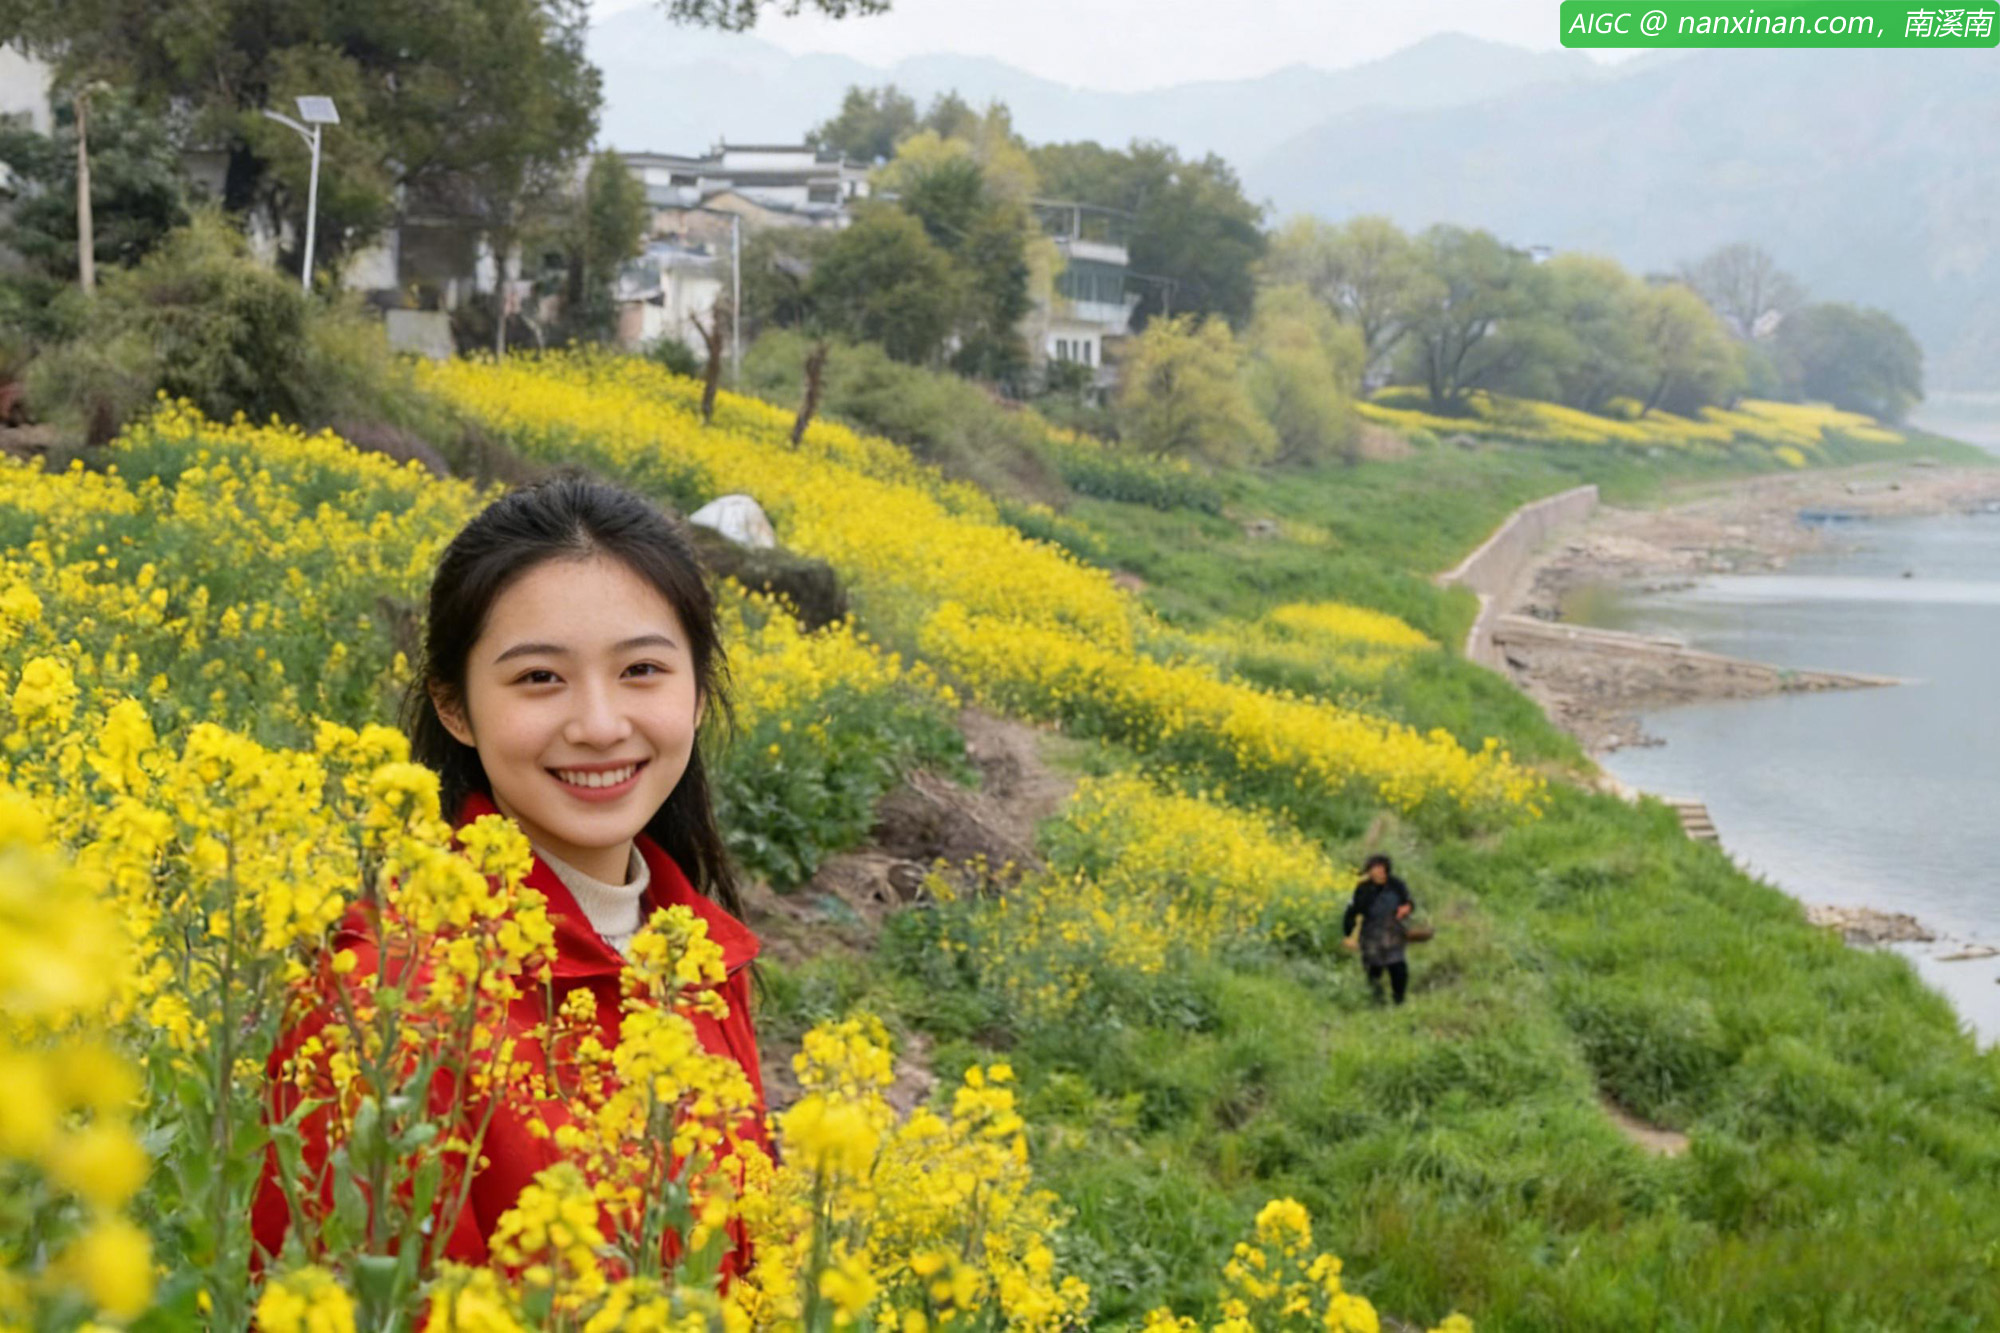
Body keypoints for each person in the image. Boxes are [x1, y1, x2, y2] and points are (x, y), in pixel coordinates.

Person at [251, 472, 767, 1265]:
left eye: (642, 670)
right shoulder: (383, 1001)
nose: (599, 725)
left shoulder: (699, 953)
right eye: (539, 678)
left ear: (698, 691)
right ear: (455, 706)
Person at [1342, 853, 1415, 1006]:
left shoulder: (1397, 885)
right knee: (1373, 969)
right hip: (1371, 933)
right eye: (1374, 869)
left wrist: (1405, 909)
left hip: (1393, 931)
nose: (1378, 872)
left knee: (1398, 967)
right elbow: (1353, 911)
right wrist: (1348, 933)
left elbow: (1408, 902)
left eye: (1381, 869)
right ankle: (1377, 1001)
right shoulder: (1363, 889)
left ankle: (1399, 1000)